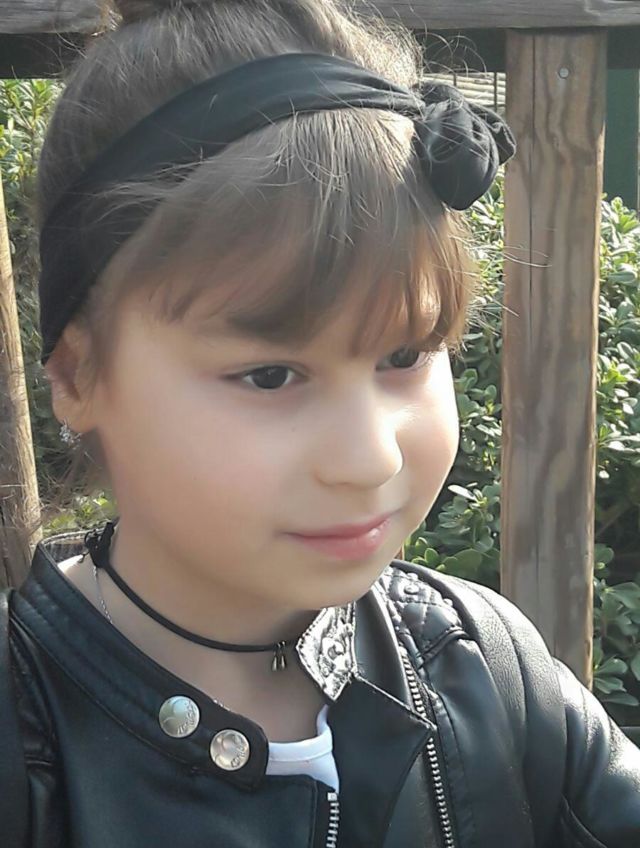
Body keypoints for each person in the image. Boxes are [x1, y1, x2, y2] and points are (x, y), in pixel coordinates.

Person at [1, 0, 639, 845]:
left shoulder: (482, 665)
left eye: (405, 355)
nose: (370, 459)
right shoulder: (25, 745)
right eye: (271, 375)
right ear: (79, 375)